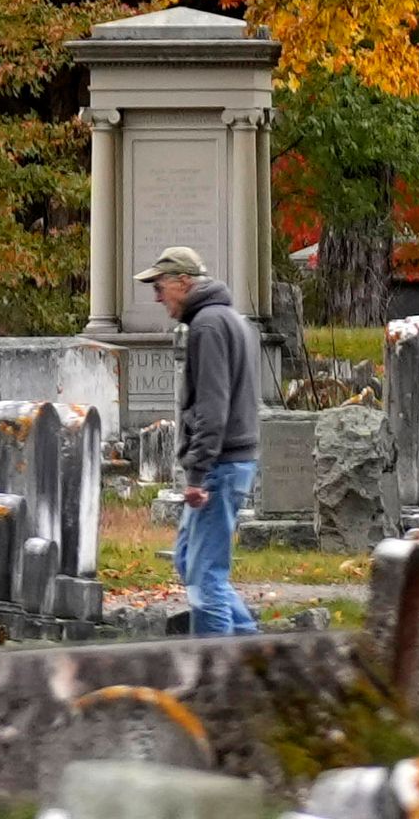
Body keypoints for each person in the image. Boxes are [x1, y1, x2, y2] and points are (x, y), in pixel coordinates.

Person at [148, 244, 262, 636]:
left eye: (160, 285)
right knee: (187, 559)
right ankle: (255, 655)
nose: (157, 296)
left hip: (219, 466)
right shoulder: (229, 318)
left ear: (184, 281)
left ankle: (218, 678)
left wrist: (197, 475)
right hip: (230, 460)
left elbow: (213, 407)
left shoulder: (208, 326)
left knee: (204, 578)